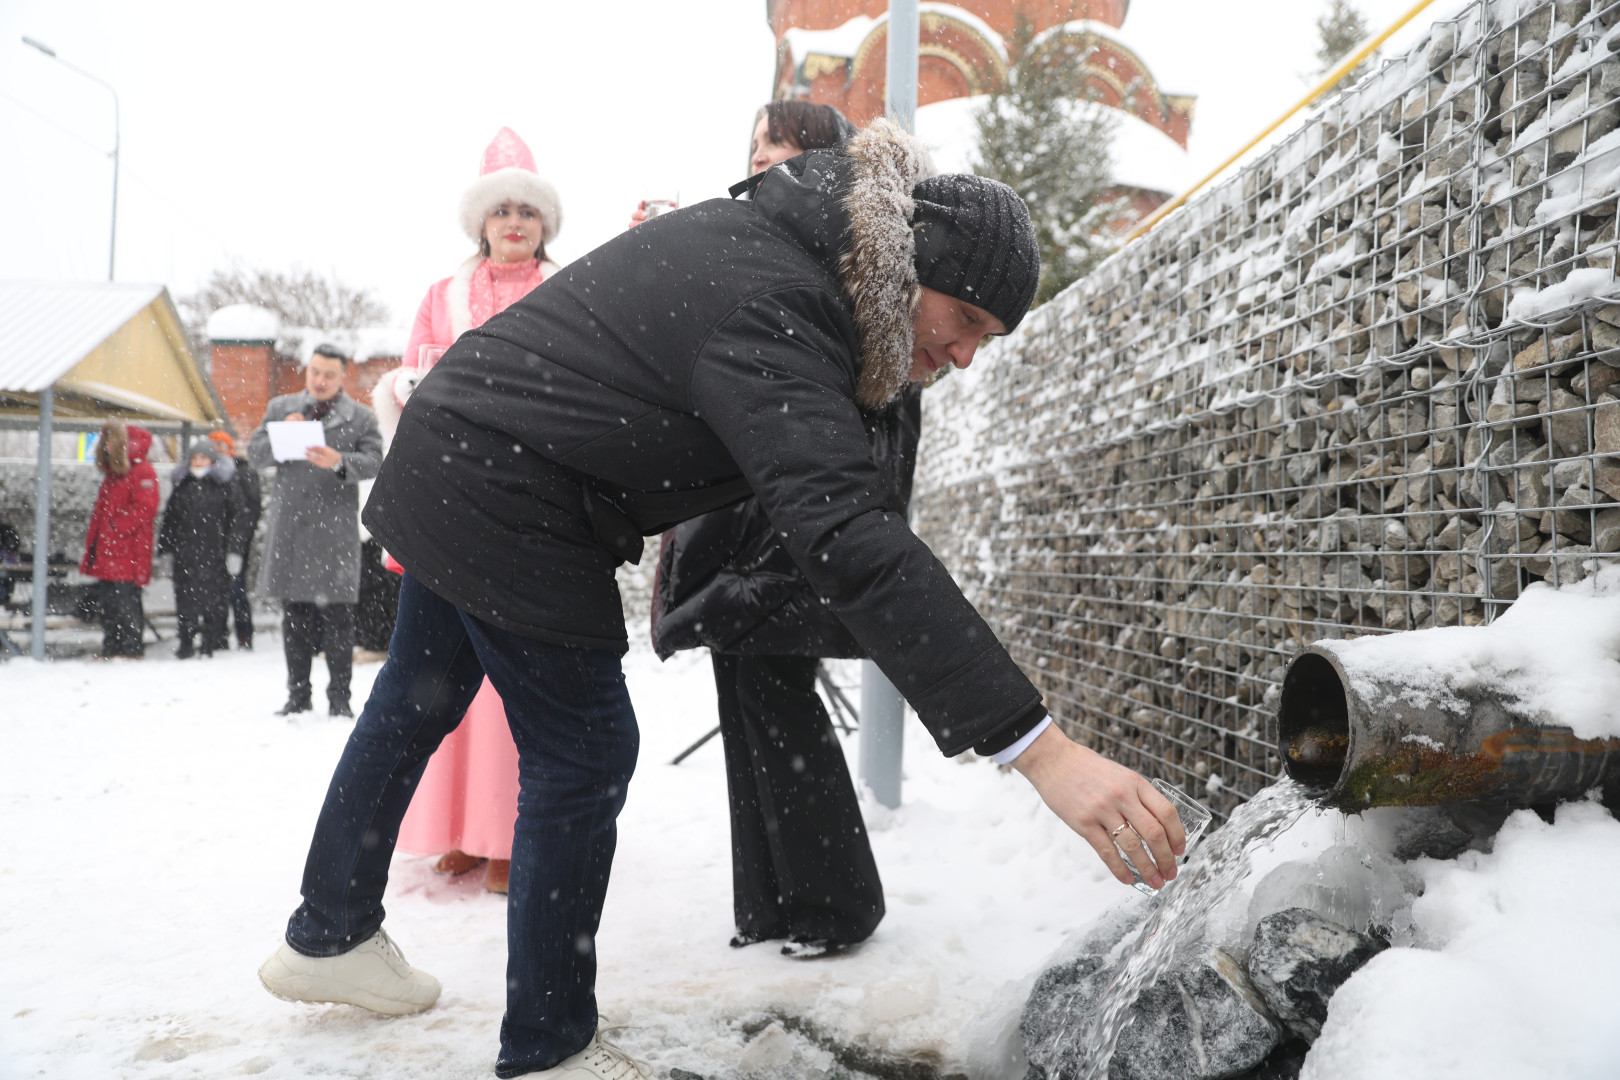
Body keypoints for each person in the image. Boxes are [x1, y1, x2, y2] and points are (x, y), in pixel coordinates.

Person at [259, 119, 1185, 1080]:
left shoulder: (799, 253)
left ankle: (329, 933)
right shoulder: (784, 302)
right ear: (921, 269)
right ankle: (549, 1047)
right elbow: (852, 537)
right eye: (969, 325)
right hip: (509, 485)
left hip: (460, 440)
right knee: (583, 751)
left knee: (416, 697)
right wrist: (1040, 748)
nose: (964, 359)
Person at [649, 99, 894, 956]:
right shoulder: (755, 244)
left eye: (779, 145)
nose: (762, 158)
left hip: (785, 520)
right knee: (749, 704)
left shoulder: (847, 260)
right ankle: (769, 903)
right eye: (755, 144)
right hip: (738, 519)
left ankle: (835, 905)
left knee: (781, 710)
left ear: (822, 160)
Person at [371, 125, 563, 895]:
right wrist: (411, 387)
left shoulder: (566, 285)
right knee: (448, 675)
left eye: (527, 209)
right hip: (452, 496)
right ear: (480, 221)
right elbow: (409, 376)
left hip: (526, 503)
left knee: (515, 674)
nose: (513, 221)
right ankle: (460, 829)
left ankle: (513, 835)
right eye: (500, 209)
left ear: (544, 222)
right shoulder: (440, 295)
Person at [247, 344, 383, 717]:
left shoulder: (360, 418)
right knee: (295, 616)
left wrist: (340, 461)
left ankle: (340, 699)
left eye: (329, 375)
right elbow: (254, 456)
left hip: (335, 532)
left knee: (340, 619)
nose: (320, 381)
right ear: (307, 372)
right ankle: (298, 696)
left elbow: (375, 462)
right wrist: (279, 437)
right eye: (315, 373)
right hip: (292, 527)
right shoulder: (281, 408)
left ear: (343, 377)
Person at [158, 439, 251, 658]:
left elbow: (238, 519)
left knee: (214, 601)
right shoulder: (183, 486)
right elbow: (170, 521)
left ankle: (213, 640)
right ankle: (187, 641)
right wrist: (166, 550)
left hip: (215, 553)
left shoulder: (226, 486)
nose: (198, 462)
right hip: (186, 554)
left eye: (203, 458)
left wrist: (234, 550)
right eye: (194, 458)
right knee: (185, 600)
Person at [80, 420, 159, 659]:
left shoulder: (142, 471)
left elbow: (146, 507)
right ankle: (113, 648)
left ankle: (131, 649)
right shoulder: (115, 474)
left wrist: (116, 529)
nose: (107, 446)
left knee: (125, 602)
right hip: (110, 551)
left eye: (112, 441)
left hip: (126, 552)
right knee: (110, 605)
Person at [209, 429, 261, 649]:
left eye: (221, 446)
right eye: (213, 446)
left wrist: (239, 540)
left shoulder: (242, 472)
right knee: (217, 591)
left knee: (236, 589)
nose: (217, 451)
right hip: (214, 541)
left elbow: (250, 510)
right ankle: (218, 635)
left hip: (236, 542)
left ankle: (244, 634)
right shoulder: (211, 474)